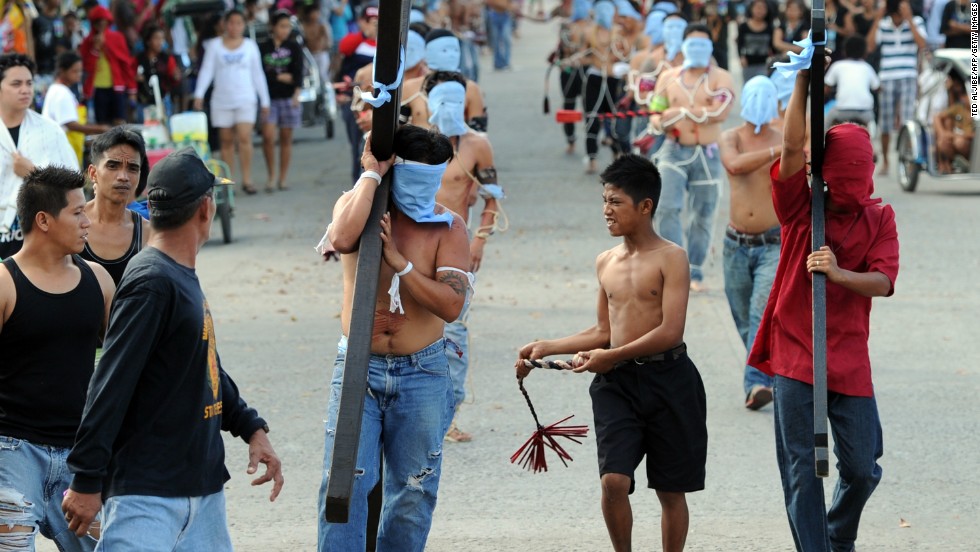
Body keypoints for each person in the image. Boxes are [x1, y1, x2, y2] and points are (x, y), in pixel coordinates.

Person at [62, 148, 285, 548]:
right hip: (148, 498)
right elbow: (110, 382)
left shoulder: (178, 274)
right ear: (205, 208)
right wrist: (86, 479)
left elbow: (203, 361)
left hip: (201, 489)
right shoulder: (153, 281)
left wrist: (250, 426)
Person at [516, 153, 706, 552]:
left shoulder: (673, 258)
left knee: (671, 491)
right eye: (604, 200)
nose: (606, 210)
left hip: (670, 381)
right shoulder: (606, 261)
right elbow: (604, 331)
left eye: (615, 202)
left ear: (646, 206)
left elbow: (670, 331)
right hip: (616, 384)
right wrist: (546, 346)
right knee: (613, 481)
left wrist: (612, 355)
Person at [748, 57, 900, 552]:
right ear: (825, 173)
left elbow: (882, 280)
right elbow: (793, 144)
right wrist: (803, 80)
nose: (853, 188)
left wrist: (838, 273)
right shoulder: (801, 203)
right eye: (843, 177)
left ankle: (838, 531)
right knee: (801, 469)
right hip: (796, 348)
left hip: (849, 354)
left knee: (862, 466)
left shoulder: (880, 217)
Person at [318, 125, 470, 550]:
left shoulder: (447, 226)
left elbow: (452, 305)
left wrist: (402, 266)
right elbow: (342, 238)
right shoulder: (359, 207)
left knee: (413, 492)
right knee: (343, 483)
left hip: (421, 370)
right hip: (357, 369)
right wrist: (370, 174)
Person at [0, 166, 114, 552]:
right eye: (78, 212)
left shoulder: (99, 280)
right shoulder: (3, 283)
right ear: (44, 220)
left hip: (81, 456)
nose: (88, 221)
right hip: (11, 455)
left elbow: (122, 366)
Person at [425, 71, 504, 442]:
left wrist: (480, 241)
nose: (449, 108)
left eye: (456, 100)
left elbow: (493, 196)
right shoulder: (411, 142)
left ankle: (449, 414)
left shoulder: (476, 146)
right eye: (442, 100)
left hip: (456, 249)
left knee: (453, 330)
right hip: (415, 246)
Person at [648, 24, 735, 292]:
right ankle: (675, 269)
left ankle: (695, 271)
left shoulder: (721, 78)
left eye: (703, 44)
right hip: (674, 150)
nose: (697, 49)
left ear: (711, 47)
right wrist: (659, 120)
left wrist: (681, 110)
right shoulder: (668, 77)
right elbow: (655, 111)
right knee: (666, 208)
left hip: (706, 153)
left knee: (703, 214)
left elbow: (719, 111)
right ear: (683, 46)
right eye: (692, 44)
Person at [719, 75, 782, 410]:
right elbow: (734, 165)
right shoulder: (732, 138)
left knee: (760, 312)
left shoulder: (786, 138)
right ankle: (773, 370)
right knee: (742, 316)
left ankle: (757, 382)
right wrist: (776, 151)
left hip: (773, 243)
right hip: (735, 245)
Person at [0, 54, 78, 260]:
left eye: (29, 83)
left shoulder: (50, 131)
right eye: (16, 84)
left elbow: (73, 184)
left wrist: (34, 174)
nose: (25, 90)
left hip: (38, 232)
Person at [193, 9, 271, 195]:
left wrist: (265, 100)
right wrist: (199, 94)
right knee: (226, 141)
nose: (234, 27)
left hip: (246, 98)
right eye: (231, 23)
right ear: (224, 24)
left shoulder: (250, 46)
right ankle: (228, 181)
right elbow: (207, 71)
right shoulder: (214, 46)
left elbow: (258, 74)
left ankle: (247, 179)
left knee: (244, 137)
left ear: (244, 25)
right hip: (222, 100)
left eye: (238, 23)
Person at [80, 127, 150, 285]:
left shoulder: (148, 233)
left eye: (133, 168)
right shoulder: (69, 224)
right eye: (112, 166)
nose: (123, 177)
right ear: (93, 173)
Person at [868, 0, 926, 175]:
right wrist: (878, 18)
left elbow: (923, 44)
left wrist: (909, 20)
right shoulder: (883, 24)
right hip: (886, 76)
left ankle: (906, 158)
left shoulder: (916, 21)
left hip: (908, 75)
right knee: (885, 122)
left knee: (907, 120)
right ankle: (886, 161)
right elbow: (870, 46)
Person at [261, 10, 304, 192]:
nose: (286, 30)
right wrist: (280, 77)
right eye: (282, 26)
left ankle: (282, 178)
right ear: (273, 27)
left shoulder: (294, 46)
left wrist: (296, 93)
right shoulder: (263, 47)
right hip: (269, 98)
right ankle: (271, 176)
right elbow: (261, 73)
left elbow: (298, 74)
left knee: (286, 139)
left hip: (289, 98)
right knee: (268, 137)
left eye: (288, 26)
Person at [335, 2, 378, 183]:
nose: (374, 24)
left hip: (379, 100)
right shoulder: (355, 41)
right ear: (362, 21)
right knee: (358, 145)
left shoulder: (388, 44)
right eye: (370, 20)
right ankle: (357, 184)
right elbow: (343, 51)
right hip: (356, 99)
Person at [42, 52, 111, 164]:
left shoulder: (60, 90)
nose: (79, 74)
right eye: (74, 71)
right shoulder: (61, 93)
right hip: (61, 151)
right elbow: (71, 124)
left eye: (80, 70)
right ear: (62, 71)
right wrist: (102, 129)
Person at [79, 6, 137, 126]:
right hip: (98, 89)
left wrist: (132, 90)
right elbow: (87, 68)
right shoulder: (87, 42)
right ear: (93, 24)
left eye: (103, 22)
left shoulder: (117, 38)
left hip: (117, 87)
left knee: (119, 123)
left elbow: (126, 64)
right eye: (97, 22)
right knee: (102, 125)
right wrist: (95, 48)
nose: (100, 26)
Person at [825, 36, 880, 131]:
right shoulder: (867, 67)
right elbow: (877, 87)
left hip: (842, 111)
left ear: (844, 51)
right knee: (872, 129)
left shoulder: (837, 65)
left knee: (826, 123)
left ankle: (823, 143)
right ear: (865, 52)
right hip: (865, 112)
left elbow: (826, 88)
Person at [135, 25, 181, 120]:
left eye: (162, 39)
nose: (160, 42)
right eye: (156, 38)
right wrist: (135, 78)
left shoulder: (167, 59)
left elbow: (174, 78)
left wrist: (175, 77)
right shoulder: (139, 59)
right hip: (143, 102)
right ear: (148, 41)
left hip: (163, 101)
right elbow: (131, 77)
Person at [933, 72, 973, 173]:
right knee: (944, 137)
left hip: (968, 143)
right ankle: (945, 164)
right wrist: (943, 133)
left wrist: (953, 135)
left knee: (959, 142)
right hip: (957, 137)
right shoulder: (959, 107)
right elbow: (937, 117)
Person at [737, 0, 775, 83]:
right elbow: (739, 43)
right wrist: (741, 57)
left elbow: (773, 46)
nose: (760, 11)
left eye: (763, 8)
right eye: (757, 8)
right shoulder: (744, 26)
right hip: (748, 64)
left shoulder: (770, 28)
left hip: (764, 64)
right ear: (751, 9)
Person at [301, 3, 332, 88]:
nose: (316, 15)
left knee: (323, 75)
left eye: (317, 13)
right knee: (308, 75)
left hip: (321, 54)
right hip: (309, 55)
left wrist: (323, 46)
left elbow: (328, 42)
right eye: (314, 13)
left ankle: (326, 94)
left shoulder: (322, 26)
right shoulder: (304, 27)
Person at [486, 0, 514, 70]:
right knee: (496, 40)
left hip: (505, 15)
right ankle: (498, 62)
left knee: (506, 38)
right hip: (495, 15)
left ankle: (506, 61)